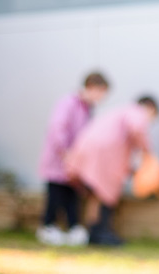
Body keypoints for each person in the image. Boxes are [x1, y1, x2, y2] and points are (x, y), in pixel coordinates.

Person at [66, 96, 159, 246]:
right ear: (150, 108)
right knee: (106, 192)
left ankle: (94, 232)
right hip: (104, 154)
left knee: (96, 193)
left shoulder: (120, 111)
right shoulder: (137, 112)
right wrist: (147, 151)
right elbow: (137, 128)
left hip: (89, 148)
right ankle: (102, 232)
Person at [36, 72, 109, 246]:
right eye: (100, 92)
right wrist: (65, 152)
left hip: (75, 162)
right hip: (59, 158)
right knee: (56, 192)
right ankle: (48, 227)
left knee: (72, 194)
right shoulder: (68, 103)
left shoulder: (87, 109)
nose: (101, 98)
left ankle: (73, 227)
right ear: (91, 86)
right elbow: (57, 127)